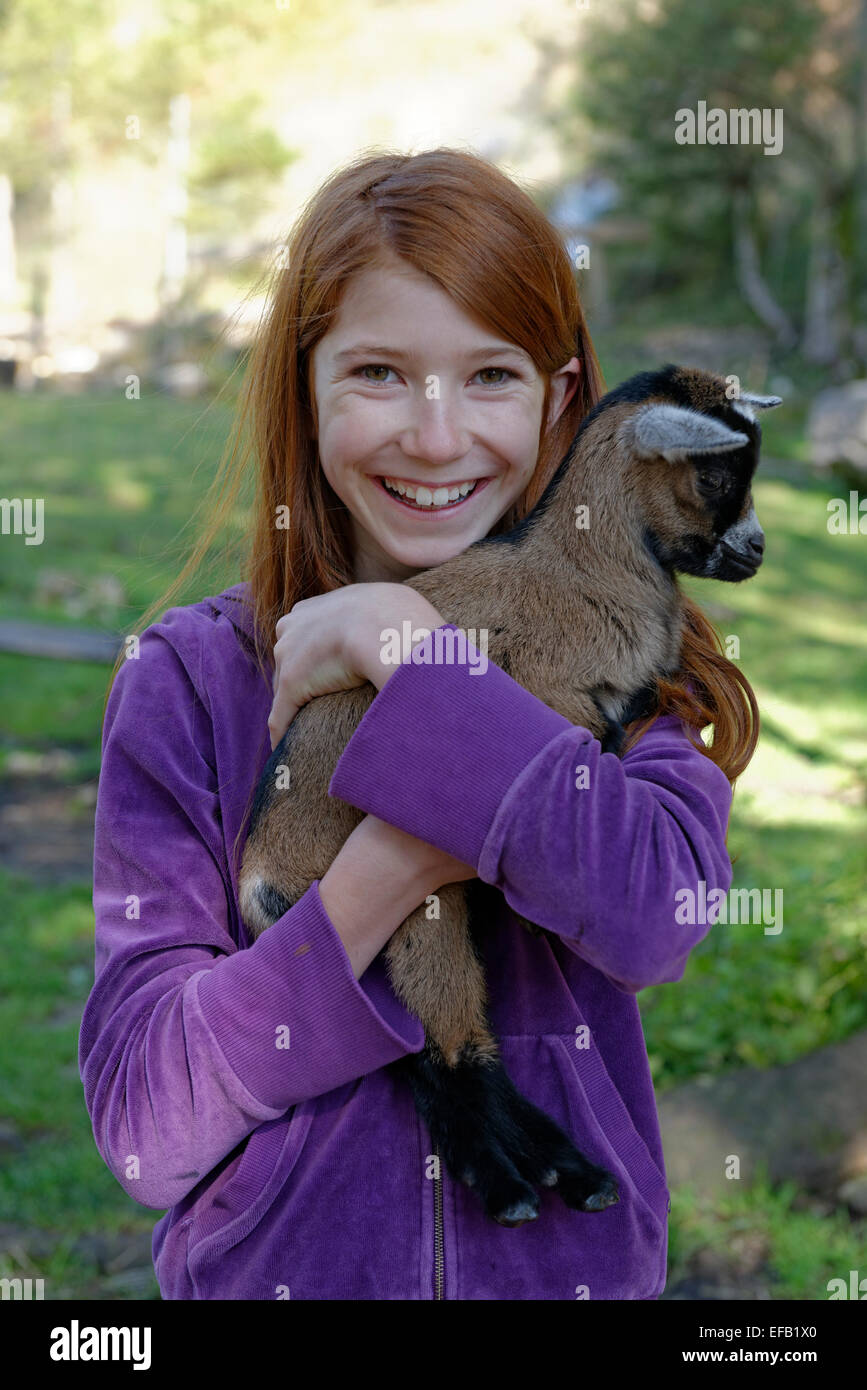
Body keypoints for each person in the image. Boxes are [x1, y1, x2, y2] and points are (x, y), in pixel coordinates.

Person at [79, 147, 756, 1300]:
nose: (437, 438)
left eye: (490, 376)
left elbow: (652, 918)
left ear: (559, 401)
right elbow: (147, 1121)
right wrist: (387, 867)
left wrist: (406, 651)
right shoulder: (192, 681)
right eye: (381, 373)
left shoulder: (647, 672)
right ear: (305, 389)